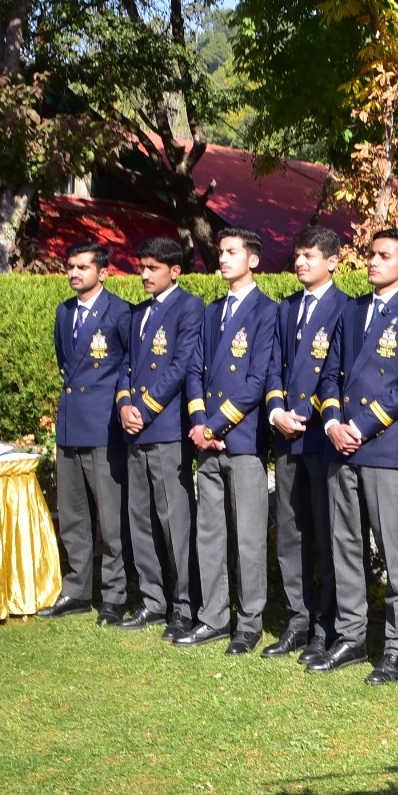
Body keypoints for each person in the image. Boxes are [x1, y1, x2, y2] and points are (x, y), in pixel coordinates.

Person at [313, 228, 398, 683]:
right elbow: (329, 375)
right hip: (340, 446)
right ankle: (351, 636)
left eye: (384, 255)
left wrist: (359, 427)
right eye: (370, 254)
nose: (373, 261)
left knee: (393, 551)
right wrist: (332, 423)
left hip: (383, 447)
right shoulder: (351, 309)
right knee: (345, 545)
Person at [176, 228, 278, 655]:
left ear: (253, 260)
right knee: (210, 534)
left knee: (249, 538)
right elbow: (194, 371)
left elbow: (257, 381)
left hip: (244, 441)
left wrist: (215, 426)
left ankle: (249, 623)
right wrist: (200, 423)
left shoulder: (267, 311)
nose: (222, 258)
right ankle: (214, 618)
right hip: (209, 442)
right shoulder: (212, 310)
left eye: (232, 252)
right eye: (220, 252)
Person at [264, 225, 351, 663]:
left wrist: (309, 413)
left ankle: (326, 625)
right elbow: (273, 367)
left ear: (332, 262)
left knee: (326, 535)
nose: (299, 263)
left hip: (321, 439)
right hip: (286, 437)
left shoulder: (346, 309)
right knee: (291, 533)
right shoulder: (286, 308)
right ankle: (297, 620)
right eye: (297, 255)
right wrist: (276, 412)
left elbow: (338, 373)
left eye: (309, 256)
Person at [116, 237, 205, 641]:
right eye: (142, 267)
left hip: (166, 429)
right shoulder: (138, 313)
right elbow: (126, 365)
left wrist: (145, 409)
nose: (145, 274)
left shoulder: (189, 307)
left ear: (175, 271)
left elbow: (182, 365)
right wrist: (124, 405)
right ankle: (153, 601)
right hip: (134, 429)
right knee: (141, 518)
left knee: (174, 521)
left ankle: (185, 607)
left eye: (153, 268)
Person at [40, 241, 131, 625]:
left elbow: (127, 366)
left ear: (103, 272)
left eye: (82, 267)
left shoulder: (120, 312)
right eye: (71, 266)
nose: (74, 273)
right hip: (70, 424)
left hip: (103, 425)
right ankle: (76, 591)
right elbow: (66, 362)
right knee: (74, 516)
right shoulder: (64, 312)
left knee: (110, 520)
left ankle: (115, 596)